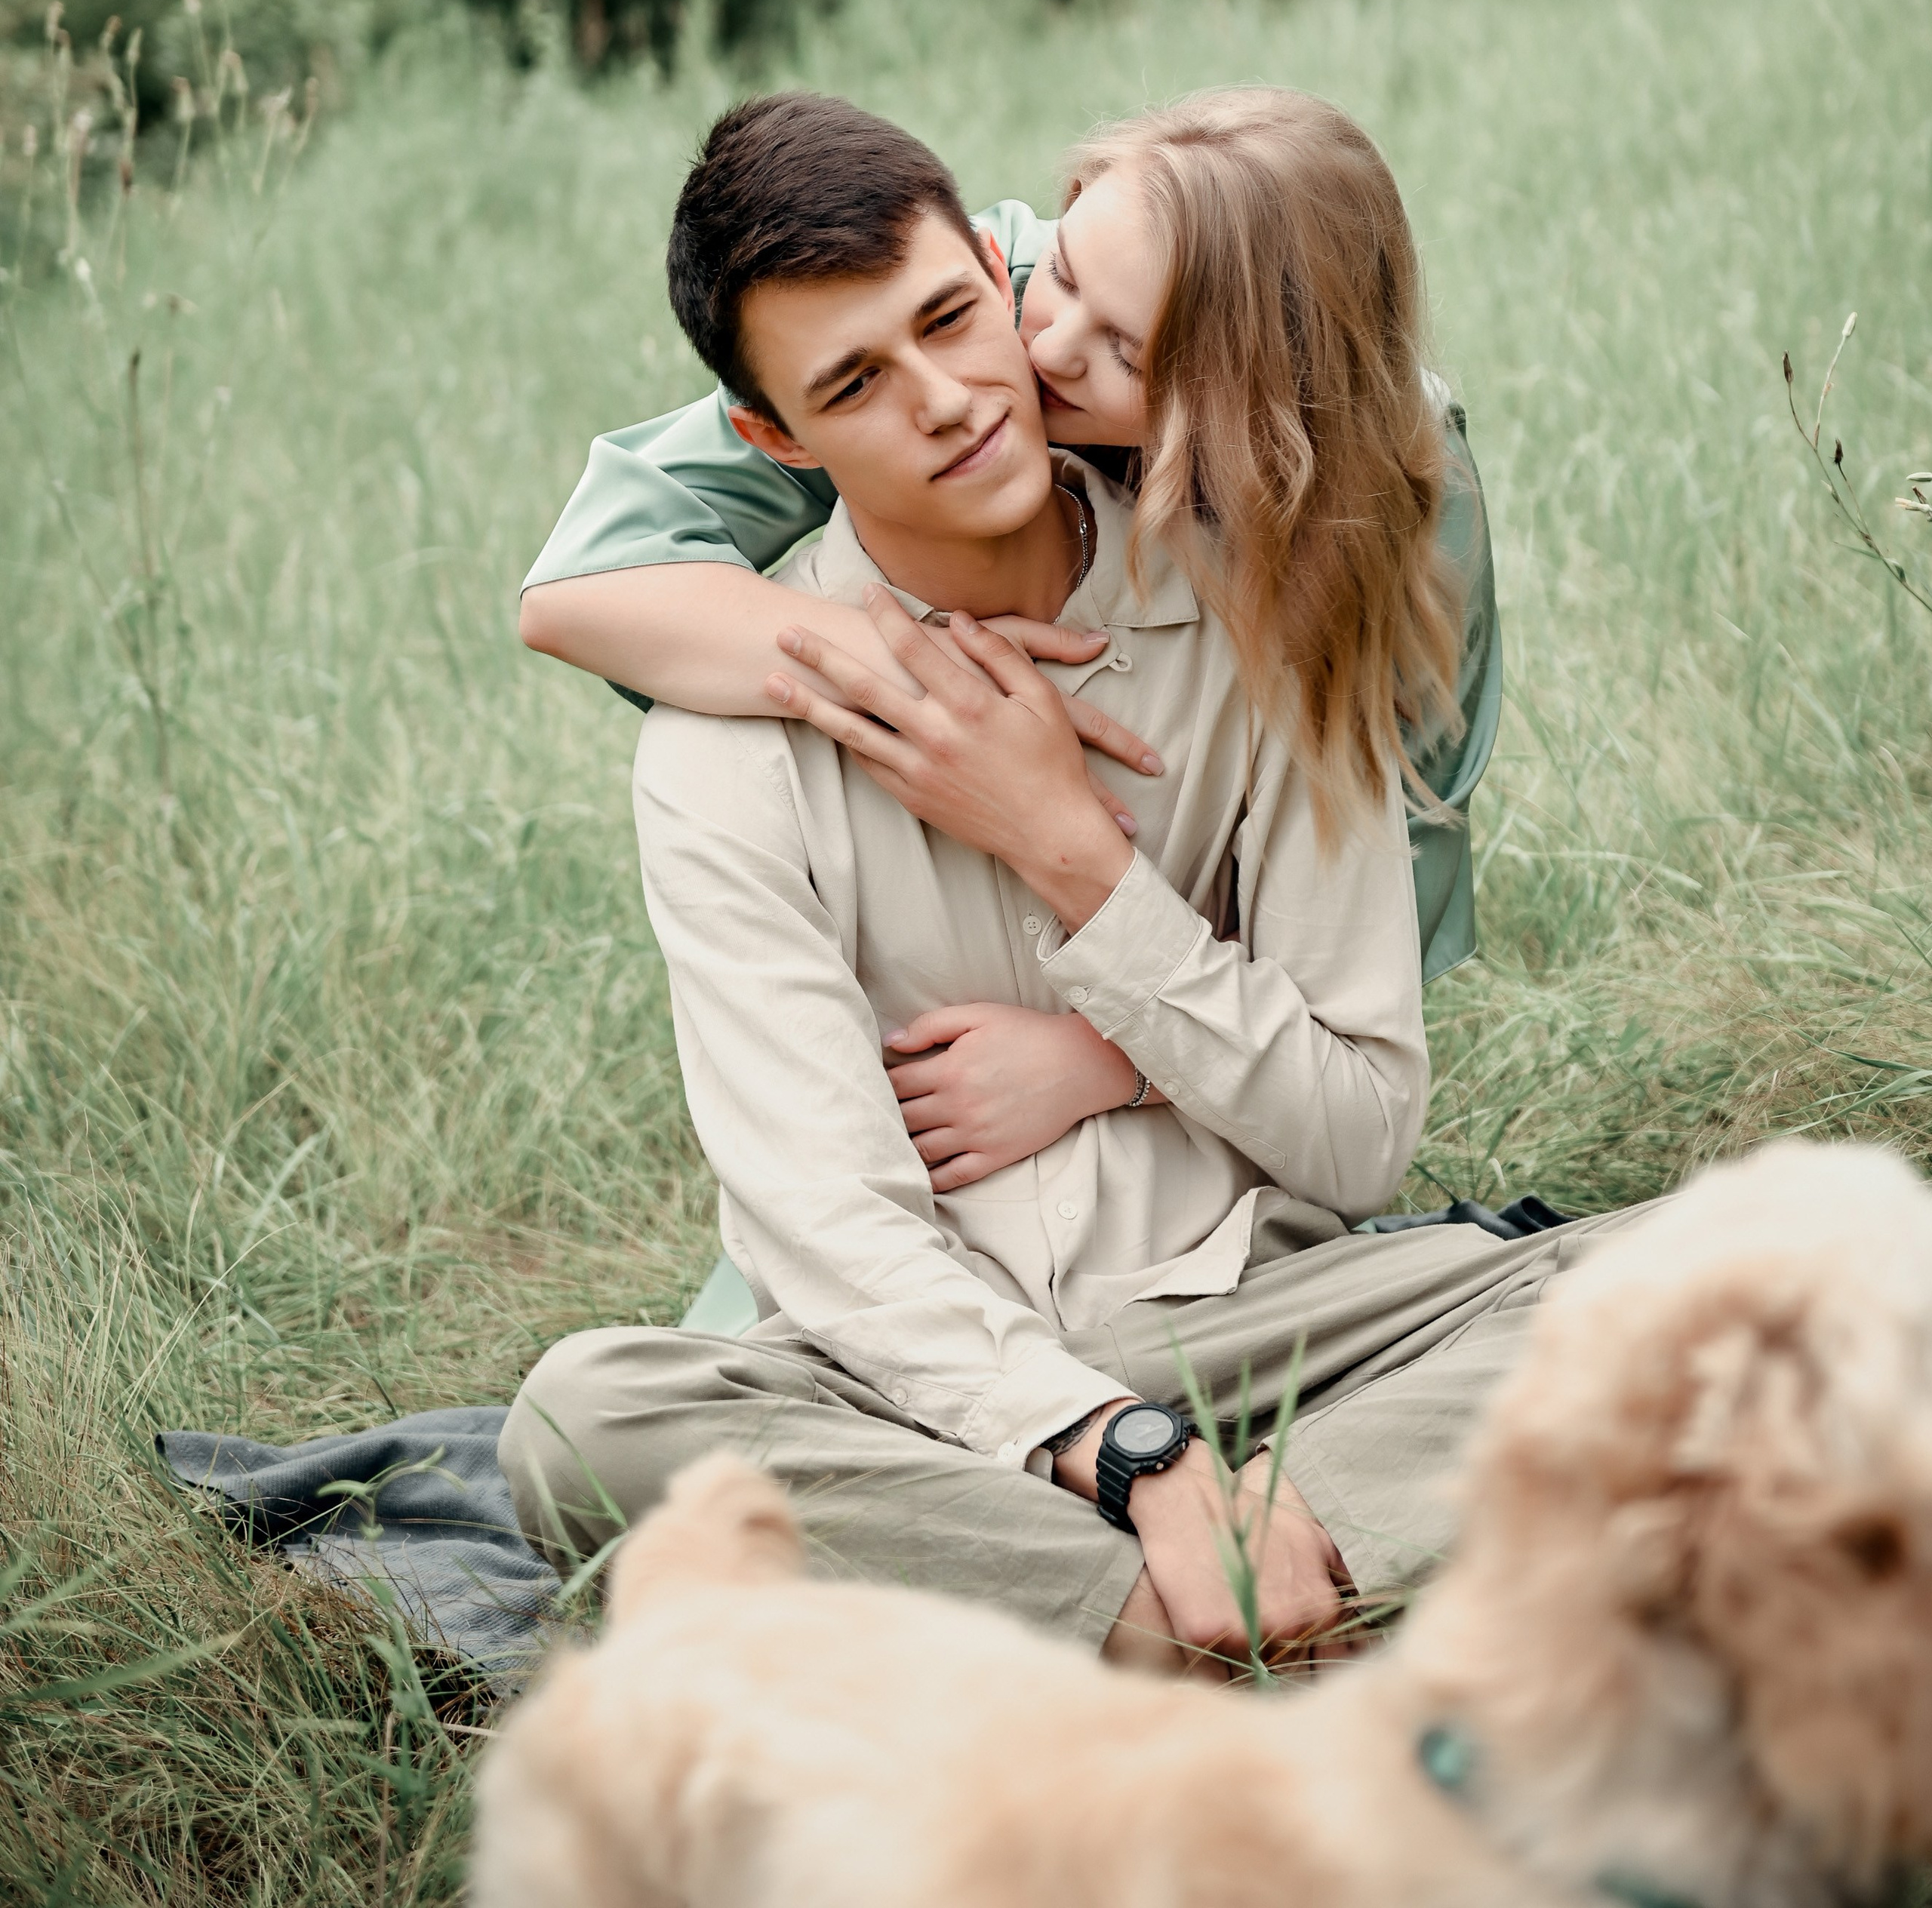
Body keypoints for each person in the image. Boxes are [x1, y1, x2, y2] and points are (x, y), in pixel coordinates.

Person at [500, 95, 1613, 1674]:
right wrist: (1123, 1453)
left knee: (1666, 1276)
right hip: (923, 1383)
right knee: (583, 1421)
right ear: (775, 437)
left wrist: (1084, 872)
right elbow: (826, 1224)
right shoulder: (719, 749)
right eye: (856, 384)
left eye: (955, 316)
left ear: (990, 261)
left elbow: (1358, 1139)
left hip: (1261, 1321)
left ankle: (1192, 1600)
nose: (953, 399)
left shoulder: (1271, 605)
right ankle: (1216, 1615)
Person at [519, 88, 1502, 1226]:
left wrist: (1111, 1055)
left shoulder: (1366, 535)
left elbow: (1354, 1017)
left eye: (1128, 351)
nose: (1037, 357)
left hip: (1225, 1156)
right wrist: (907, 655)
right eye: (1057, 284)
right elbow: (571, 592)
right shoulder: (987, 294)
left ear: (1242, 409)